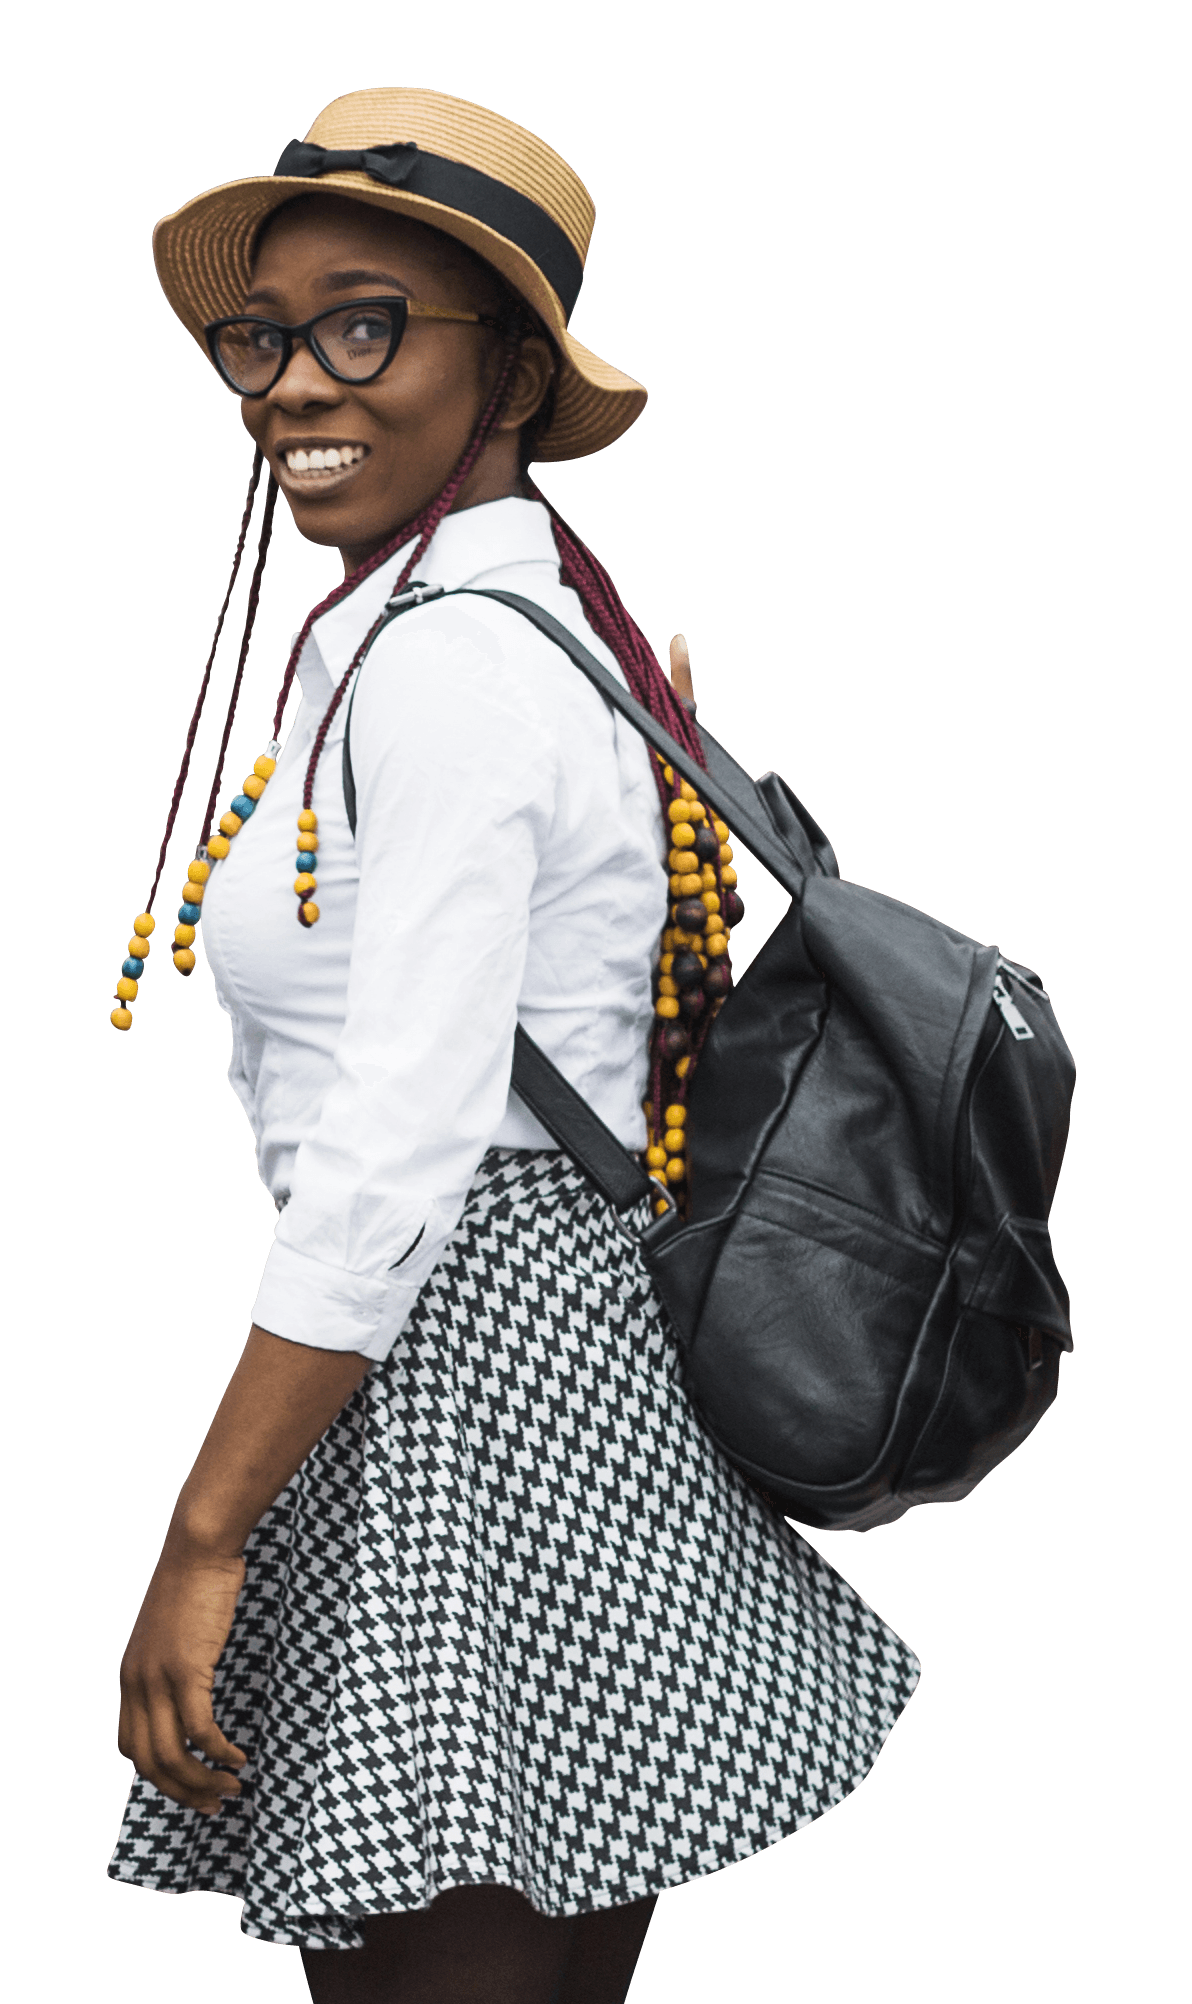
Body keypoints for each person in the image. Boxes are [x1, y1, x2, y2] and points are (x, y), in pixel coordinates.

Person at [108, 89, 920, 2003]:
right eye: (265, 332)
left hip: (468, 1367)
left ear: (512, 372)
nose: (293, 380)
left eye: (364, 321)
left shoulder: (467, 661)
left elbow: (405, 1133)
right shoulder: (463, 634)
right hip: (512, 1357)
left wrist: (205, 1536)